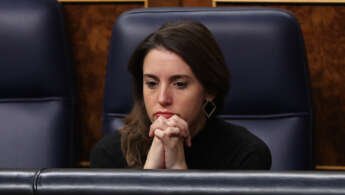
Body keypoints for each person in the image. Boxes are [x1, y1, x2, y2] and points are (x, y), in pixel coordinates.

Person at [90, 20, 271, 170]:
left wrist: (178, 169)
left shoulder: (246, 154)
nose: (162, 99)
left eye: (179, 84)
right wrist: (149, 173)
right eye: (152, 84)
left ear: (210, 90)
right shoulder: (109, 154)